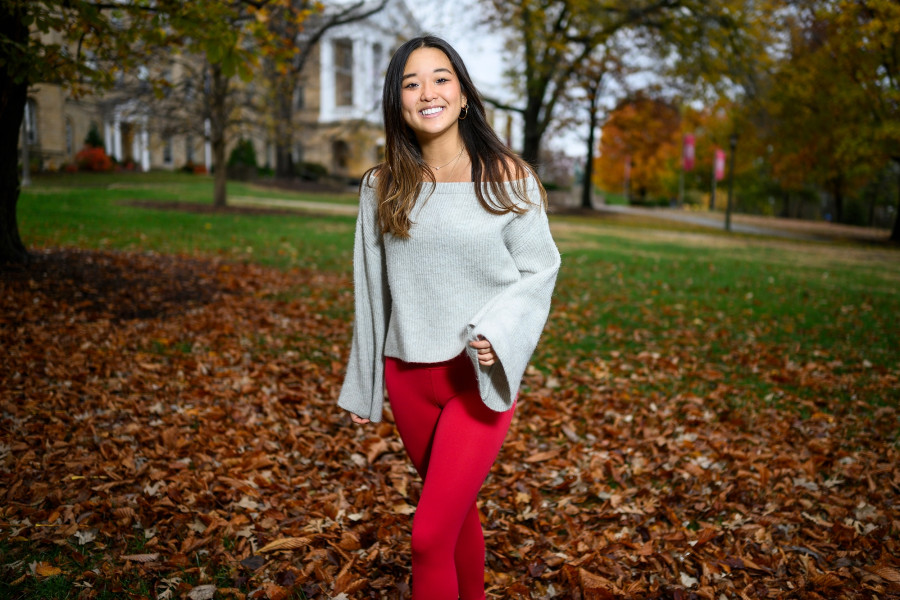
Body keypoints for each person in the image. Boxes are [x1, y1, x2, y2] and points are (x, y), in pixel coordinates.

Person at [337, 35, 560, 600]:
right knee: (457, 518)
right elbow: (370, 290)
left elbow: (540, 272)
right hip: (408, 378)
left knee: (428, 535)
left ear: (463, 94)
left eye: (440, 78)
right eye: (410, 83)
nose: (426, 92)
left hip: (477, 382)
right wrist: (365, 385)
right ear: (398, 103)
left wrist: (501, 333)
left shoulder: (509, 179)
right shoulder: (381, 187)